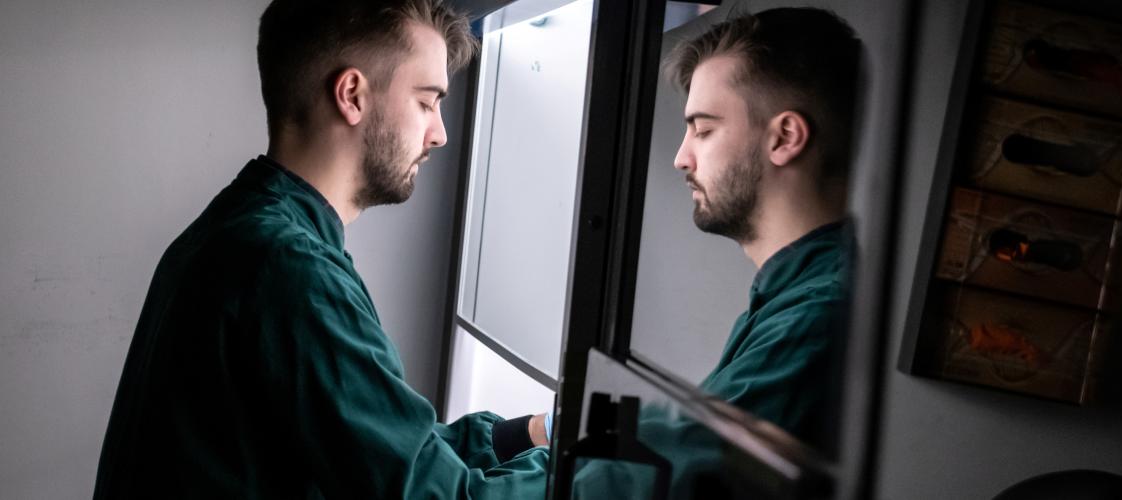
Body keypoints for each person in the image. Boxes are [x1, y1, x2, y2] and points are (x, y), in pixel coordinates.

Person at [94, 1, 546, 497]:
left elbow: (377, 448)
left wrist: (529, 434)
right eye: (426, 102)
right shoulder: (290, 269)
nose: (439, 134)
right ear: (351, 95)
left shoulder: (239, 229)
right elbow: (429, 493)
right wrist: (594, 470)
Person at [513, 8, 862, 498]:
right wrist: (529, 433)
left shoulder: (816, 317)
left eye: (703, 129)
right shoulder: (794, 294)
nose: (682, 157)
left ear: (785, 137)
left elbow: (642, 483)